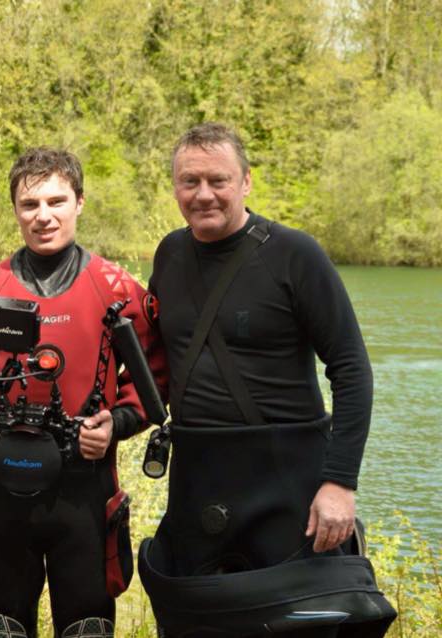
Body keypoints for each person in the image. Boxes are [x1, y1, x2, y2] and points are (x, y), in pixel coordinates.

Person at [139, 123, 396, 637]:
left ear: (246, 182)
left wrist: (340, 483)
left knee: (295, 628)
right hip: (197, 478)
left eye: (219, 180)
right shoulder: (169, 254)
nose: (204, 194)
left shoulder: (295, 255)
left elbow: (351, 370)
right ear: (174, 186)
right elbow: (156, 362)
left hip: (287, 483)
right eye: (190, 181)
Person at [0, 147, 166, 638]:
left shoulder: (116, 288)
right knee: (0, 628)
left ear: (80, 202)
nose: (43, 216)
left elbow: (152, 377)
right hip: (0, 489)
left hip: (86, 489)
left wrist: (117, 425)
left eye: (56, 201)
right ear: (16, 211)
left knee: (86, 629)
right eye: (29, 204)